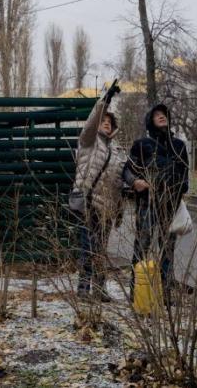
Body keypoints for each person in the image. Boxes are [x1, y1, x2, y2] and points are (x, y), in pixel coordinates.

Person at [122, 104, 189, 301]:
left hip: (171, 205)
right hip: (147, 204)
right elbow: (127, 170)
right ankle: (137, 291)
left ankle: (166, 292)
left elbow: (185, 174)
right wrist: (135, 182)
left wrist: (180, 188)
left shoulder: (179, 146)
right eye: (157, 115)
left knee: (168, 249)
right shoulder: (142, 144)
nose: (161, 117)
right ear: (150, 120)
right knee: (142, 246)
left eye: (164, 114)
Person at [72, 82, 125, 301]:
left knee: (101, 250)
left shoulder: (118, 152)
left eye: (108, 123)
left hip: (106, 210)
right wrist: (106, 100)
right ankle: (84, 288)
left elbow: (118, 183)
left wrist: (118, 212)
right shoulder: (88, 142)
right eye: (103, 121)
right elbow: (90, 124)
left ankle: (100, 290)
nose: (105, 124)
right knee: (88, 247)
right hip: (88, 203)